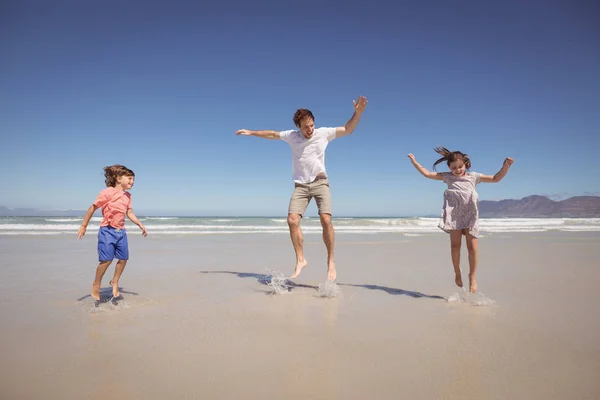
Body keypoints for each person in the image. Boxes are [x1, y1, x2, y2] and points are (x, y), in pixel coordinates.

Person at [236, 96, 368, 281]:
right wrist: (251, 132)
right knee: (292, 220)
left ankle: (331, 260)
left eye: (312, 125)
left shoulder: (323, 133)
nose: (310, 130)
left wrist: (358, 113)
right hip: (301, 186)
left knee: (325, 219)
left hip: (320, 182)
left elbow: (347, 129)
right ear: (298, 126)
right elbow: (272, 134)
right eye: (306, 127)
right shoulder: (292, 136)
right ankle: (301, 259)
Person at [408, 147, 514, 293]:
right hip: (455, 217)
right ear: (449, 167)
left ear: (466, 165)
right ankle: (457, 271)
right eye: (454, 167)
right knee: (455, 247)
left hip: (471, 216)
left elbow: (496, 179)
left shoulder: (474, 177)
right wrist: (414, 162)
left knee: (473, 249)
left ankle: (472, 276)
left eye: (460, 166)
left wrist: (505, 166)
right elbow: (427, 174)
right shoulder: (448, 177)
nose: (457, 170)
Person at [78, 165, 147, 301]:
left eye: (133, 180)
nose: (132, 182)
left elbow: (129, 212)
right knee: (106, 260)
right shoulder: (107, 192)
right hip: (107, 230)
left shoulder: (128, 196)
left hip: (121, 231)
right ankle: (96, 284)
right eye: (130, 179)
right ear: (118, 178)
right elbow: (93, 207)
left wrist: (139, 224)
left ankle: (114, 281)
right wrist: (84, 225)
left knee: (123, 259)